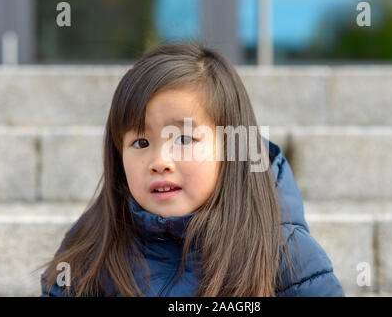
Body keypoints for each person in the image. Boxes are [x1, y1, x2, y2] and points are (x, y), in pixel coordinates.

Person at [39, 43, 344, 297]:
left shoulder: (284, 252)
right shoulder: (92, 245)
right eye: (141, 142)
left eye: (183, 139)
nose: (160, 161)